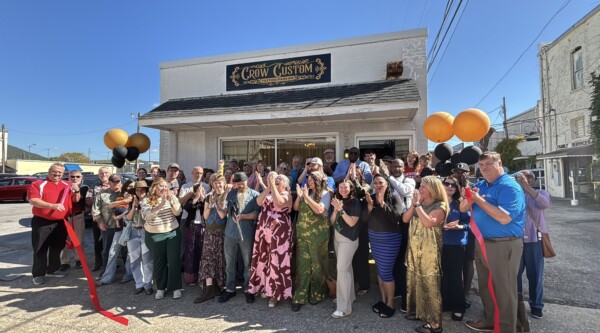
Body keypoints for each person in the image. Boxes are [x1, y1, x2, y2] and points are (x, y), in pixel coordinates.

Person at [463, 152, 526, 333]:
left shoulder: (509, 187)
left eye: (488, 164)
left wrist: (478, 200)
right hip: (482, 242)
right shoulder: (482, 185)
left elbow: (504, 218)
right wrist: (469, 198)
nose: (484, 168)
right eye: (481, 165)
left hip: (504, 244)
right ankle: (490, 320)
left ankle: (506, 328)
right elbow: (462, 207)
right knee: (485, 286)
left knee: (504, 290)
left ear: (500, 163)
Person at [402, 176, 448, 333]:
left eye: (423, 186)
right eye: (420, 186)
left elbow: (428, 222)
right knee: (415, 280)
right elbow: (405, 218)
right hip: (414, 249)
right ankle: (419, 312)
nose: (419, 189)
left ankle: (435, 324)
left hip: (430, 252)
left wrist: (416, 205)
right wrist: (415, 204)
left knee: (430, 286)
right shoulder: (419, 203)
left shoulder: (440, 205)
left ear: (433, 189)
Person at [248, 172, 293, 308]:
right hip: (264, 230)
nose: (277, 180)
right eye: (276, 179)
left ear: (285, 184)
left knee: (276, 261)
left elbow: (279, 203)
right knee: (264, 259)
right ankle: (264, 287)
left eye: (280, 179)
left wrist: (272, 185)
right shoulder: (269, 192)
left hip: (280, 232)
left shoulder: (287, 195)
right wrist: (267, 187)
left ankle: (276, 293)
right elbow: (259, 201)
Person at [291, 172, 332, 312]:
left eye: (311, 180)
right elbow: (296, 208)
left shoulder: (326, 194)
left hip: (318, 235)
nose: (308, 183)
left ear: (318, 181)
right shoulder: (305, 192)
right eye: (308, 180)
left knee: (317, 265)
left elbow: (320, 210)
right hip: (302, 234)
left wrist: (307, 197)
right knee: (302, 265)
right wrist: (300, 196)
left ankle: (317, 294)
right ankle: (300, 296)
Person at [28, 163, 74, 285]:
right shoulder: (38, 184)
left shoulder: (67, 185)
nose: (57, 174)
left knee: (57, 247)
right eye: (55, 171)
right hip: (42, 222)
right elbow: (33, 200)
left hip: (60, 222)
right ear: (49, 171)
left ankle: (53, 269)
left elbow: (73, 199)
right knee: (40, 248)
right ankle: (38, 274)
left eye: (60, 172)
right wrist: (52, 206)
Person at [218, 172, 260, 304]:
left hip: (247, 234)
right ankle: (230, 289)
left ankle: (248, 289)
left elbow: (257, 214)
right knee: (229, 263)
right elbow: (222, 209)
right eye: (238, 183)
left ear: (247, 181)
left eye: (242, 182)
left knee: (248, 264)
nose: (241, 185)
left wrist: (243, 217)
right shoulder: (231, 193)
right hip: (230, 233)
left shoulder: (255, 195)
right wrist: (225, 192)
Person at [366, 174, 403, 318]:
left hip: (390, 239)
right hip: (375, 238)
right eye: (375, 183)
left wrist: (382, 204)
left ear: (387, 184)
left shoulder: (395, 197)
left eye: (380, 182)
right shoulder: (371, 197)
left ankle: (390, 304)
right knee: (380, 272)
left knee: (386, 272)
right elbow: (364, 219)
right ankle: (383, 300)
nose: (377, 185)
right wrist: (369, 207)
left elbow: (396, 218)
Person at [141, 177, 183, 300]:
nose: (164, 188)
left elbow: (178, 212)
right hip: (154, 235)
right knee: (160, 262)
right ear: (154, 187)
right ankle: (160, 288)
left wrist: (171, 202)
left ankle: (176, 287)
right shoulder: (146, 200)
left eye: (166, 186)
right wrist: (161, 205)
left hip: (172, 233)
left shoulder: (171, 197)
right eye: (161, 186)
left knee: (174, 261)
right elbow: (147, 217)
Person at [516, 170, 551, 319]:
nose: (526, 179)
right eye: (521, 177)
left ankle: (536, 305)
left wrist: (526, 188)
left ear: (534, 180)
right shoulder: (514, 193)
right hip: (515, 240)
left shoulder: (541, 193)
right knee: (514, 275)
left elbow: (544, 204)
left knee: (535, 274)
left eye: (529, 177)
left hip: (534, 240)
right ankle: (516, 304)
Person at [385, 158, 415, 311]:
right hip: (389, 222)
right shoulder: (386, 180)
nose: (396, 168)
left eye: (399, 166)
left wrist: (388, 177)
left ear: (404, 168)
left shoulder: (409, 180)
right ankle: (395, 290)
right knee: (394, 257)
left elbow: (404, 191)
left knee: (404, 259)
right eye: (394, 166)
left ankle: (406, 297)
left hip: (405, 222)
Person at [194, 174, 229, 303]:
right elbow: (206, 216)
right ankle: (208, 289)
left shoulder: (227, 196)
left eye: (219, 183)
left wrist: (218, 202)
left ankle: (218, 285)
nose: (217, 185)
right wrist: (210, 204)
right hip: (210, 232)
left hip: (222, 232)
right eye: (214, 183)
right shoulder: (209, 196)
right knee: (207, 258)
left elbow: (222, 215)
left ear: (223, 184)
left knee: (220, 259)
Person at [329, 179, 361, 319]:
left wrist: (340, 209)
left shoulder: (354, 202)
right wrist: (335, 210)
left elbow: (352, 222)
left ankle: (344, 308)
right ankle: (349, 297)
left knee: (341, 270)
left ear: (351, 188)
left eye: (346, 187)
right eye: (341, 187)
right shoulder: (338, 200)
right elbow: (332, 222)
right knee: (346, 269)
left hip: (348, 240)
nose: (343, 189)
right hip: (338, 238)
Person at [441, 176, 470, 322]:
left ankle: (458, 308)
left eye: (453, 184)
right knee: (443, 276)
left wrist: (460, 226)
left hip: (456, 244)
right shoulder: (437, 202)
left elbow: (470, 223)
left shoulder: (460, 204)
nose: (450, 186)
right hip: (440, 244)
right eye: (447, 183)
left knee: (456, 277)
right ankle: (446, 304)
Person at [95, 177, 133, 286]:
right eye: (129, 186)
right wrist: (125, 200)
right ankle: (106, 277)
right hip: (119, 228)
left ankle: (128, 275)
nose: (130, 189)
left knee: (129, 253)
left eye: (133, 187)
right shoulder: (119, 197)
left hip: (131, 229)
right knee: (112, 252)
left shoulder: (138, 198)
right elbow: (111, 206)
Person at [179, 166, 210, 285]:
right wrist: (193, 194)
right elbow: (183, 203)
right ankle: (190, 276)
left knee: (202, 250)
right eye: (196, 172)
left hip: (203, 223)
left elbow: (207, 204)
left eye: (200, 173)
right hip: (189, 222)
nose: (198, 175)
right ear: (192, 173)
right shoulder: (185, 186)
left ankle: (202, 275)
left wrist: (202, 196)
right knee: (189, 249)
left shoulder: (206, 186)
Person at [125, 180, 154, 295]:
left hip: (146, 231)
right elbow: (127, 218)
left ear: (146, 191)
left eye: (142, 189)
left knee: (147, 260)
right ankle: (139, 283)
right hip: (133, 230)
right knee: (134, 259)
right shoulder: (131, 202)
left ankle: (148, 284)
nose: (140, 192)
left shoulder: (151, 202)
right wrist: (133, 207)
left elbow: (149, 217)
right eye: (138, 190)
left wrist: (140, 206)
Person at [59, 170, 89, 271]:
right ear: (68, 177)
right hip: (66, 216)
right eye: (72, 176)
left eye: (77, 176)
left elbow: (77, 199)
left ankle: (78, 259)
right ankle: (65, 261)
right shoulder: (64, 186)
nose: (74, 179)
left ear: (81, 177)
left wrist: (76, 190)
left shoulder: (84, 188)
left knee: (79, 239)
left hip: (78, 215)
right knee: (64, 239)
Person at [87, 166, 111, 272]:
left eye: (106, 172)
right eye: (101, 173)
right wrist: (101, 203)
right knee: (98, 242)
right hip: (97, 218)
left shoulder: (114, 185)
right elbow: (88, 199)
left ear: (110, 174)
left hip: (111, 219)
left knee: (110, 243)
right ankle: (98, 263)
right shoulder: (93, 186)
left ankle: (110, 264)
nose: (104, 174)